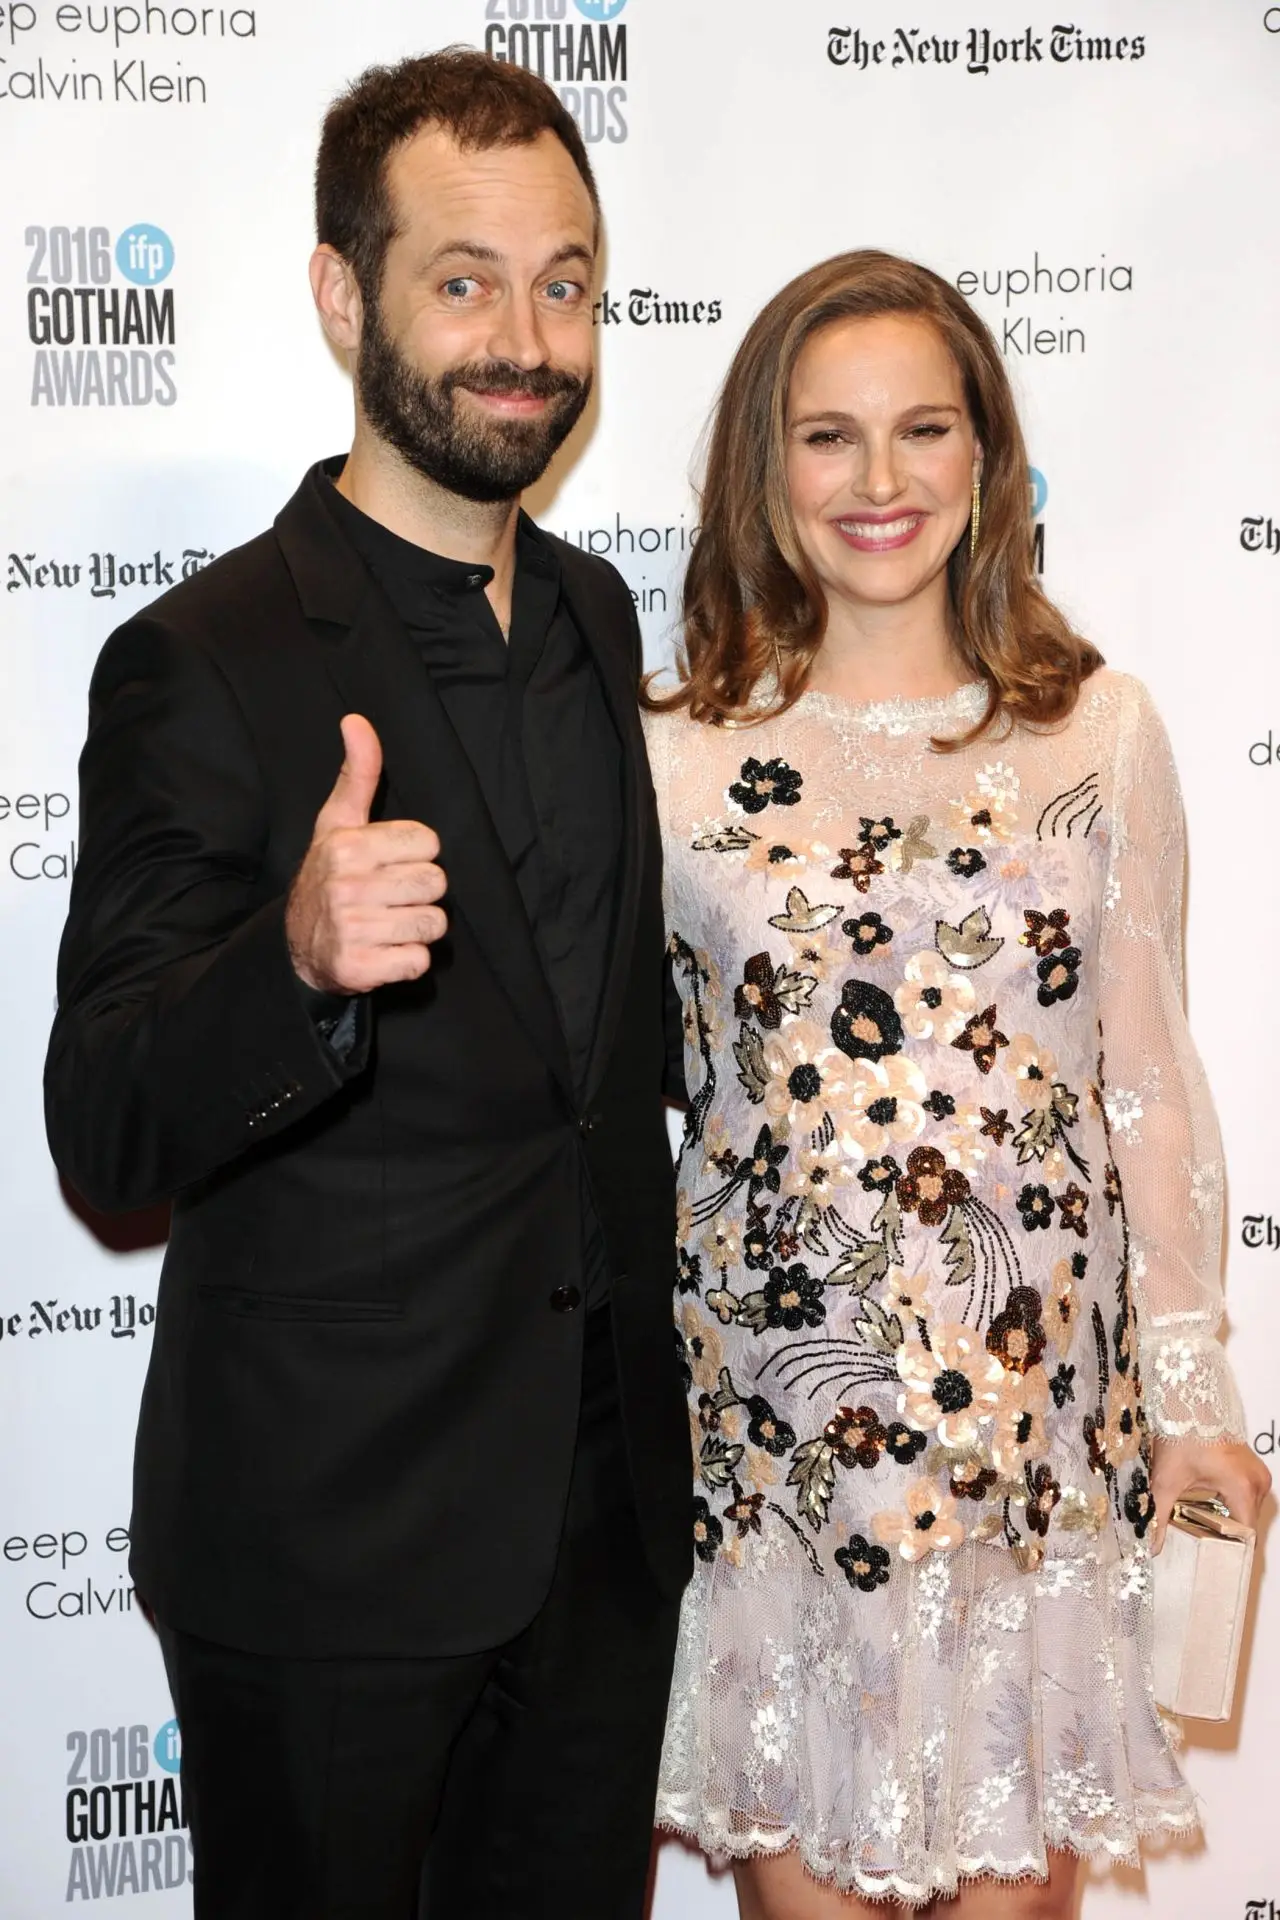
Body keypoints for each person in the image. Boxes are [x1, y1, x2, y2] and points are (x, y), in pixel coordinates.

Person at [43, 49, 690, 1920]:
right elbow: (102, 1112)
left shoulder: (593, 614)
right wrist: (296, 964)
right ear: (346, 296)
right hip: (329, 1543)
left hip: (598, 1528)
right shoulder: (205, 657)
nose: (527, 337)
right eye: (466, 279)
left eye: (565, 281)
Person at [643, 250, 1270, 1918]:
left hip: (1031, 1443)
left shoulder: (1097, 733)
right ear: (762, 472)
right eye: (828, 437)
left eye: (924, 430)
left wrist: (1198, 1395)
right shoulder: (667, 750)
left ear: (986, 458)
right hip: (780, 1456)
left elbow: (1143, 1074)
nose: (879, 481)